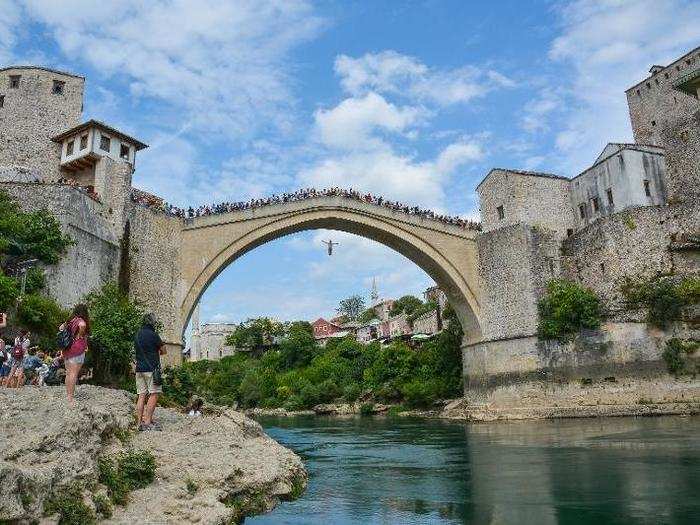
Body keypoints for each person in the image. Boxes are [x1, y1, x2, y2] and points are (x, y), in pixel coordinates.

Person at [134, 313, 166, 431]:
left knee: (141, 395)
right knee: (154, 393)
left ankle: (139, 422)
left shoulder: (137, 334)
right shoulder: (154, 335)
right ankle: (147, 422)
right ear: (153, 323)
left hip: (139, 369)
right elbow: (164, 350)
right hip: (151, 369)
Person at [61, 304, 89, 403]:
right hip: (77, 348)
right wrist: (79, 335)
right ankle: (70, 397)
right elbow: (83, 325)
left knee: (68, 373)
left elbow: (60, 328)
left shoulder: (70, 320)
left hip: (67, 348)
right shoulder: (81, 321)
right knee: (74, 373)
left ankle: (68, 394)